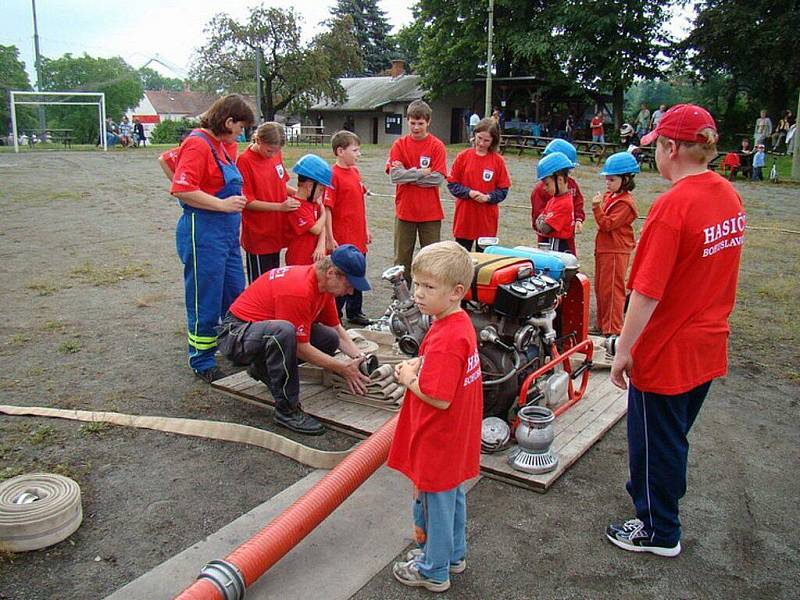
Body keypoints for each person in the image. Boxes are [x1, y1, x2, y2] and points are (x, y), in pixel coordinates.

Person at [606, 104, 745, 557]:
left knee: (654, 446)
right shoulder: (727, 194)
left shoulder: (672, 206)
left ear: (670, 147)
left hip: (667, 350)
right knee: (673, 438)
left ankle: (658, 529)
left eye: (656, 148)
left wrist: (624, 350)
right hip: (707, 342)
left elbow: (645, 292)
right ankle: (661, 515)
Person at [387, 241, 482, 593]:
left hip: (438, 436)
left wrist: (409, 379)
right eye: (417, 284)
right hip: (456, 436)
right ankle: (453, 554)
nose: (418, 294)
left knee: (433, 504)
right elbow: (445, 370)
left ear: (457, 291)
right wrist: (420, 363)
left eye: (429, 287)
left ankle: (432, 568)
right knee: (451, 498)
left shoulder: (445, 337)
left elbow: (440, 398)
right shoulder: (458, 324)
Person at [217, 245, 372, 435]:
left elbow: (336, 330)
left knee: (328, 339)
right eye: (349, 285)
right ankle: (287, 410)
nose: (349, 292)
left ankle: (262, 367)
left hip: (259, 332)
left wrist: (361, 358)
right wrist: (342, 368)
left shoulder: (323, 287)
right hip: (234, 334)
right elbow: (300, 347)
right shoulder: (299, 290)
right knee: (283, 332)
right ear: (332, 273)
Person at [170, 94, 255, 383]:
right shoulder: (197, 143)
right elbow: (181, 189)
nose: (242, 134)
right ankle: (201, 358)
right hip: (203, 232)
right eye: (240, 127)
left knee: (234, 293)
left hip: (227, 235)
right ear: (228, 121)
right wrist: (221, 204)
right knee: (205, 297)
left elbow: (167, 160)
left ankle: (232, 345)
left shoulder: (221, 145)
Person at [386, 99, 447, 284]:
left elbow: (437, 178)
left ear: (428, 122)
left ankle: (430, 298)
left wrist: (408, 174)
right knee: (402, 259)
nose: (416, 127)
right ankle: (401, 300)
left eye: (420, 123)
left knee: (431, 259)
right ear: (407, 121)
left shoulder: (437, 146)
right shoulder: (399, 144)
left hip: (430, 213)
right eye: (412, 123)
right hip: (405, 212)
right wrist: (420, 172)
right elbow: (395, 176)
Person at [236, 122, 298, 282]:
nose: (273, 154)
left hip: (275, 230)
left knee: (273, 278)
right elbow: (247, 201)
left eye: (277, 151)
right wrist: (280, 207)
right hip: (258, 235)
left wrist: (299, 195)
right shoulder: (244, 161)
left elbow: (280, 183)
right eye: (269, 150)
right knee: (260, 281)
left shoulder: (275, 155)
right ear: (258, 140)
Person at [324, 130, 373, 326]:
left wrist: (366, 228)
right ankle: (334, 313)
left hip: (358, 236)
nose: (358, 154)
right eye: (355, 150)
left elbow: (360, 203)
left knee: (358, 272)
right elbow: (327, 208)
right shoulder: (332, 175)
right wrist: (329, 236)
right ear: (340, 151)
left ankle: (355, 311)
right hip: (343, 238)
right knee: (342, 276)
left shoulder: (355, 171)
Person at [591, 152, 639, 336]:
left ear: (625, 179)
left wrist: (596, 208)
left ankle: (613, 329)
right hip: (605, 249)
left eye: (612, 180)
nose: (607, 183)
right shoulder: (611, 196)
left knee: (612, 291)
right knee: (602, 289)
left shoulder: (625, 203)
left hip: (615, 250)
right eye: (607, 180)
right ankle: (603, 325)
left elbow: (607, 224)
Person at [447, 117, 511, 252]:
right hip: (465, 217)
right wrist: (468, 193)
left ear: (493, 141)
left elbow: (503, 190)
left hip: (486, 219)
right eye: (479, 138)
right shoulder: (463, 157)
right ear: (474, 135)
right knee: (462, 257)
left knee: (484, 259)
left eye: (486, 140)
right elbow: (452, 184)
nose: (481, 143)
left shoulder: (498, 161)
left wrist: (488, 197)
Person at [530, 139, 585, 255]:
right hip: (547, 238)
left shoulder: (570, 187)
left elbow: (578, 203)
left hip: (563, 238)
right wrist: (542, 221)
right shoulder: (541, 190)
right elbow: (540, 220)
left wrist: (578, 218)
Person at [285, 154, 329, 266]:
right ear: (310, 186)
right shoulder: (296, 206)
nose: (321, 194)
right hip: (298, 260)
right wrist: (324, 211)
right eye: (320, 190)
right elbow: (316, 229)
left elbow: (322, 225)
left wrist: (321, 244)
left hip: (313, 258)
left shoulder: (313, 202)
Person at [533, 152, 575, 253]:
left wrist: (541, 220)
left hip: (558, 247)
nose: (544, 188)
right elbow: (539, 221)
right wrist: (541, 221)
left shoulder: (564, 203)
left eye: (547, 184)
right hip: (552, 243)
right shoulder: (553, 200)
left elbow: (545, 228)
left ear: (559, 180)